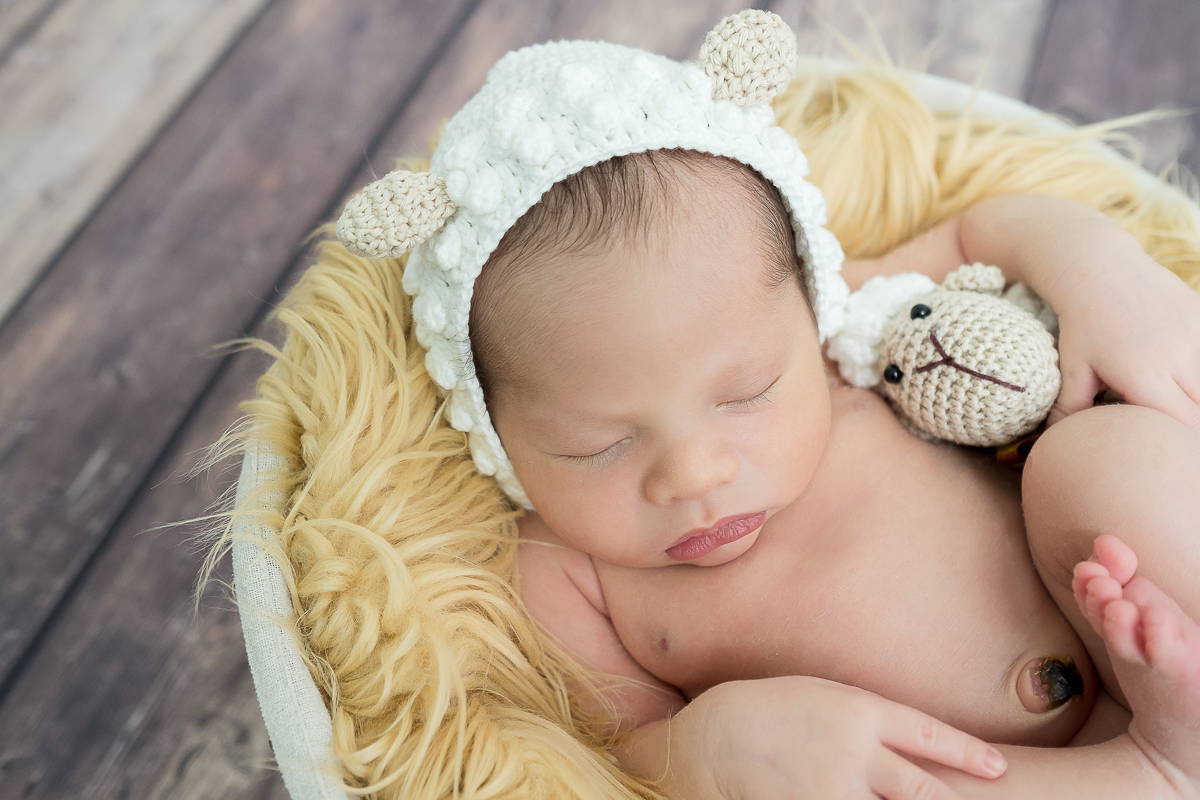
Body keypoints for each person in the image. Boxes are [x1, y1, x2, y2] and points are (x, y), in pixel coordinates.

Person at [336, 11, 1200, 799]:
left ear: (808, 302)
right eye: (596, 444)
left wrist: (1109, 279)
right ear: (494, 430)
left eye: (746, 393)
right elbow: (606, 753)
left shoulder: (831, 335)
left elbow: (985, 227)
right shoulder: (562, 573)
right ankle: (1160, 773)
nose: (695, 473)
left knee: (1103, 458)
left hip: (1136, 628)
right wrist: (705, 747)